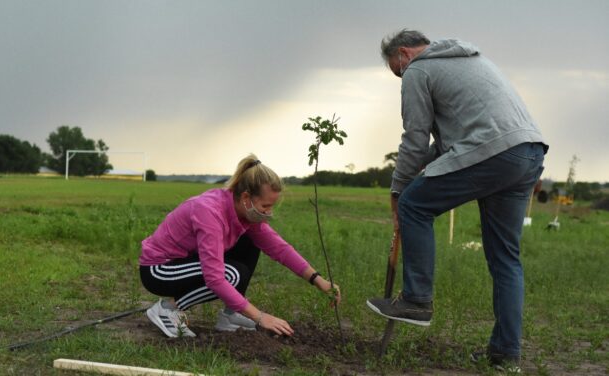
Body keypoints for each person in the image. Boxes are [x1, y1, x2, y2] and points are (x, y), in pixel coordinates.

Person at [366, 29, 547, 371]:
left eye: (397, 71)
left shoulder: (418, 70)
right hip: (527, 153)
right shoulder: (473, 60)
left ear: (404, 54)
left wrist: (398, 189)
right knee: (505, 259)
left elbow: (414, 139)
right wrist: (421, 168)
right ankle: (506, 353)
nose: (401, 78)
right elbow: (448, 145)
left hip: (492, 153)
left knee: (414, 205)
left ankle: (417, 300)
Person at [140, 154, 340, 338]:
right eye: (265, 206)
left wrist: (318, 280)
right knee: (230, 274)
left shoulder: (245, 216)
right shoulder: (210, 212)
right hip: (159, 270)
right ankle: (167, 309)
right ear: (246, 198)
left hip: (185, 263)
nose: (269, 213)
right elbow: (214, 279)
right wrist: (260, 317)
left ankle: (230, 315)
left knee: (250, 242)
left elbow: (280, 248)